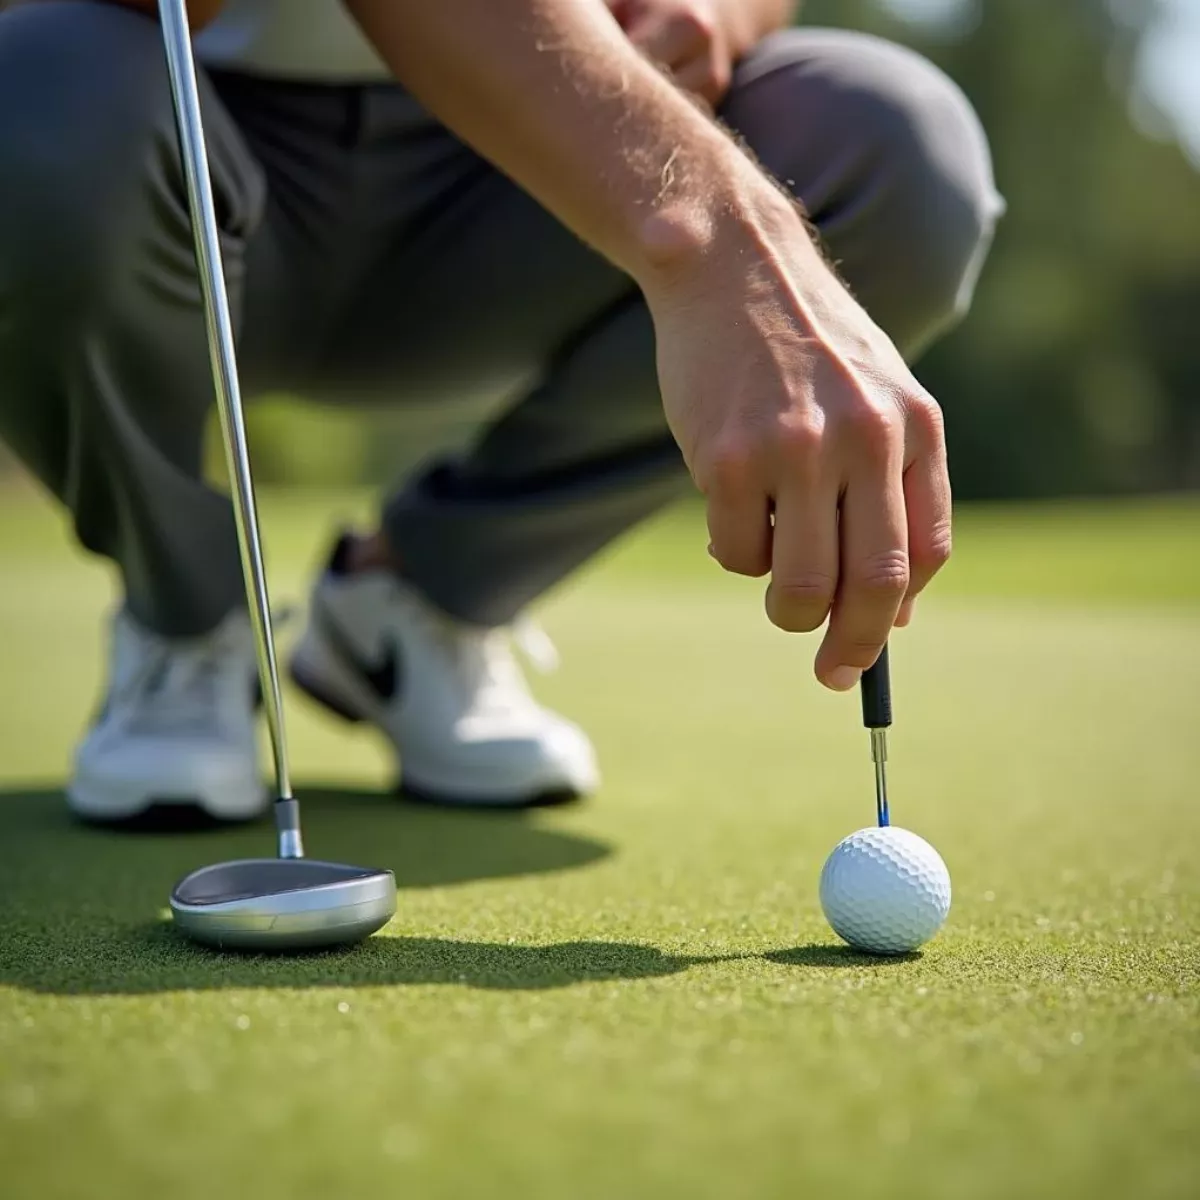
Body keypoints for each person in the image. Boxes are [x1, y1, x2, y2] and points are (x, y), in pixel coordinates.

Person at [0, 0, 1002, 820]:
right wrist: (717, 234)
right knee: (38, 87)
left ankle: (421, 600)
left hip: (535, 162)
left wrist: (718, 13)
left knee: (898, 150)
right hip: (165, 155)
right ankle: (183, 624)